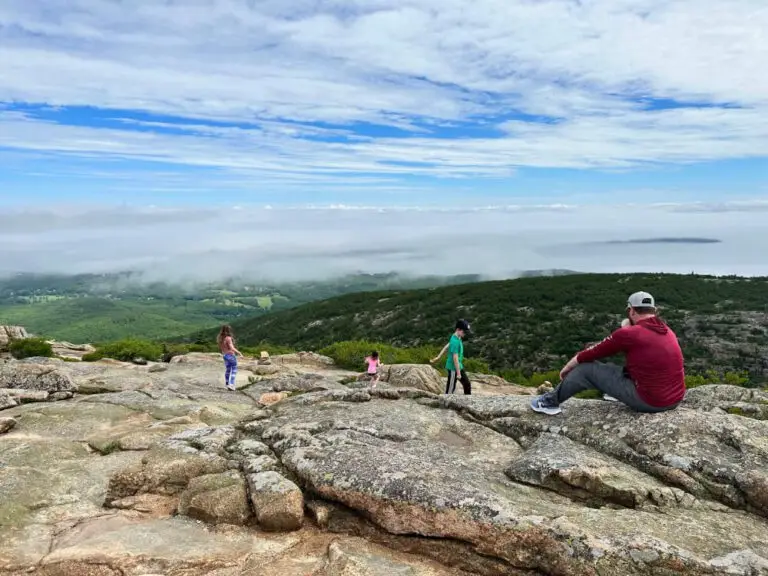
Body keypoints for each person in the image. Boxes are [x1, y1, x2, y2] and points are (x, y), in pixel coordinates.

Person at [530, 291, 685, 415]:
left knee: (585, 369)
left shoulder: (629, 335)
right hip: (674, 399)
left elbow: (591, 353)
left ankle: (549, 403)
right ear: (654, 311)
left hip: (650, 403)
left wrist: (567, 367)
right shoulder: (665, 330)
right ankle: (615, 393)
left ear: (631, 311)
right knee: (618, 364)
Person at [431, 319, 472, 395]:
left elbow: (447, 346)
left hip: (458, 366)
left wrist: (438, 357)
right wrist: (458, 373)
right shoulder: (455, 341)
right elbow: (455, 358)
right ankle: (446, 403)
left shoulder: (457, 336)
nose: (465, 334)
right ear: (458, 329)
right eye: (464, 331)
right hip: (453, 368)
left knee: (467, 384)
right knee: (451, 388)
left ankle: (468, 400)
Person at [217, 325, 243, 391]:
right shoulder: (228, 338)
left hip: (225, 355)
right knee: (234, 370)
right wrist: (239, 353)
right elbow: (231, 348)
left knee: (228, 370)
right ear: (229, 330)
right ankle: (231, 384)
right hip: (230, 355)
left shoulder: (220, 338)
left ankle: (227, 383)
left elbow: (221, 348)